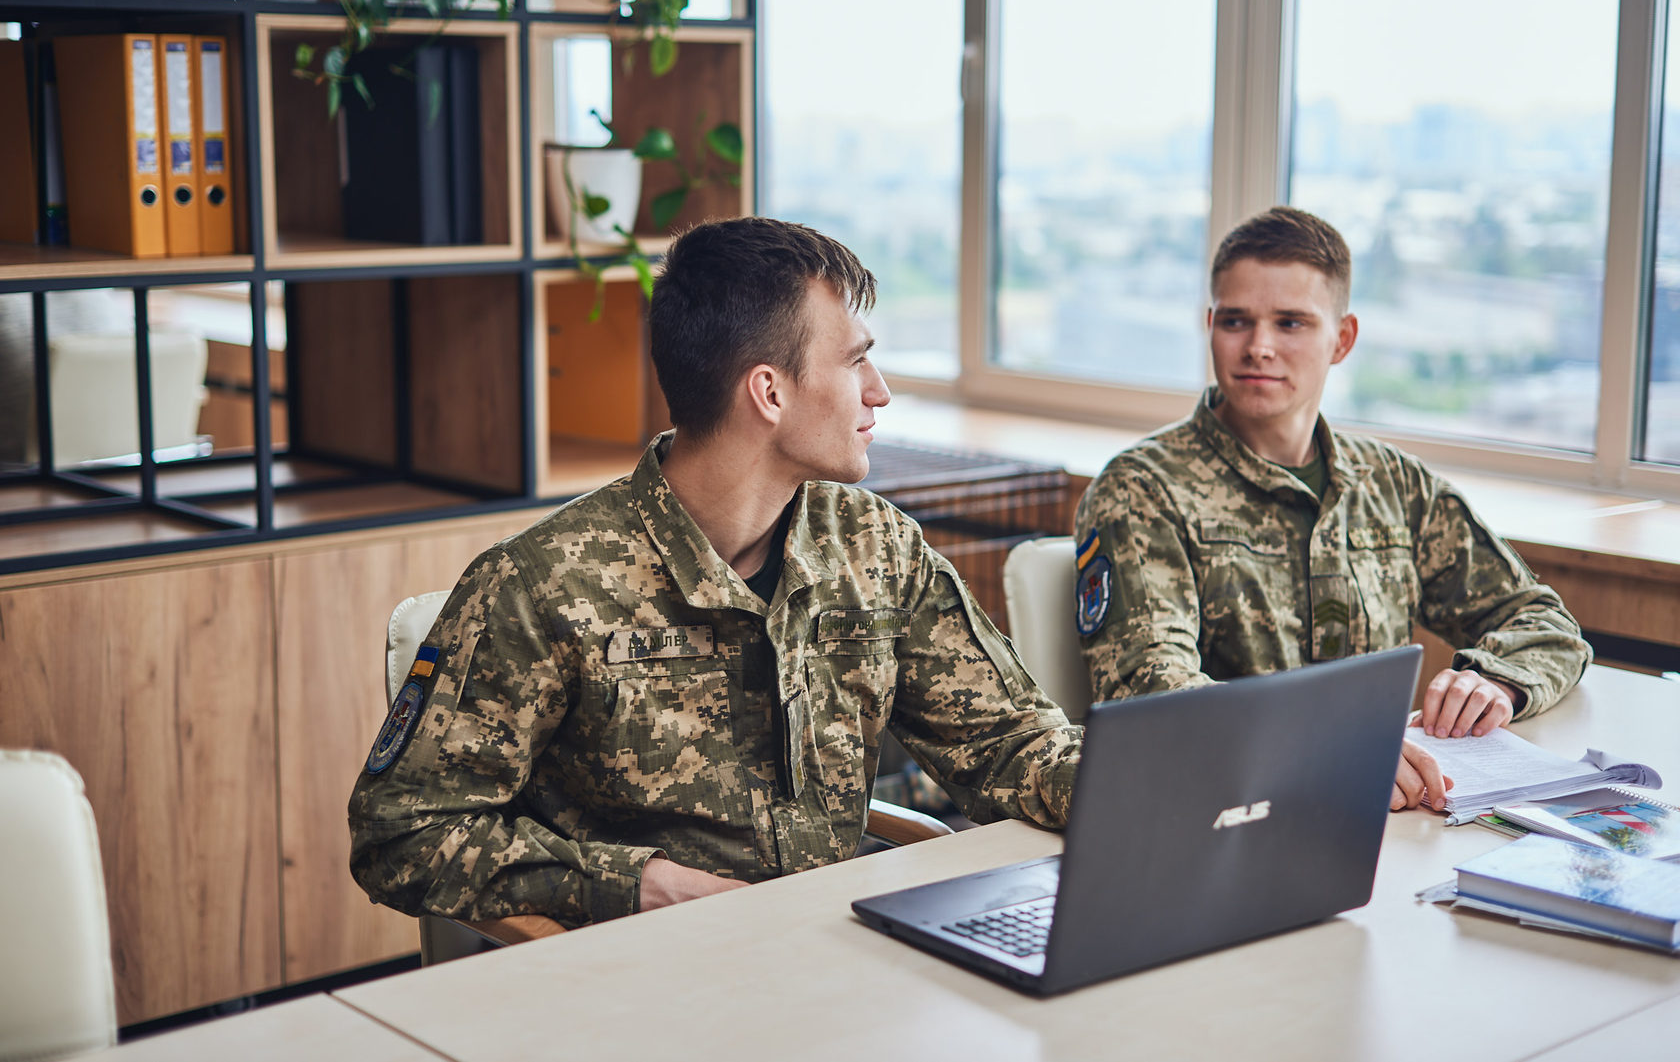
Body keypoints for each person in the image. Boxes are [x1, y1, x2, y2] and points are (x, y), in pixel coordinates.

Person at [349, 217, 1081, 929]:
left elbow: (1012, 742)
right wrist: (634, 887)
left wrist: (1153, 792)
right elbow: (400, 832)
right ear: (769, 392)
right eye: (855, 360)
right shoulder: (540, 586)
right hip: (646, 990)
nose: (879, 390)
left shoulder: (875, 547)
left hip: (835, 963)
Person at [1073, 206, 1591, 813]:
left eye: (1291, 323)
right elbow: (1154, 696)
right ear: (1210, 325)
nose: (1259, 347)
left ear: (1341, 339)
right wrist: (1330, 747)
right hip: (1225, 816)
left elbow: (1545, 623)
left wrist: (1496, 680)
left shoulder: (1393, 483)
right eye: (1236, 321)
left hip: (1385, 808)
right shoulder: (1142, 490)